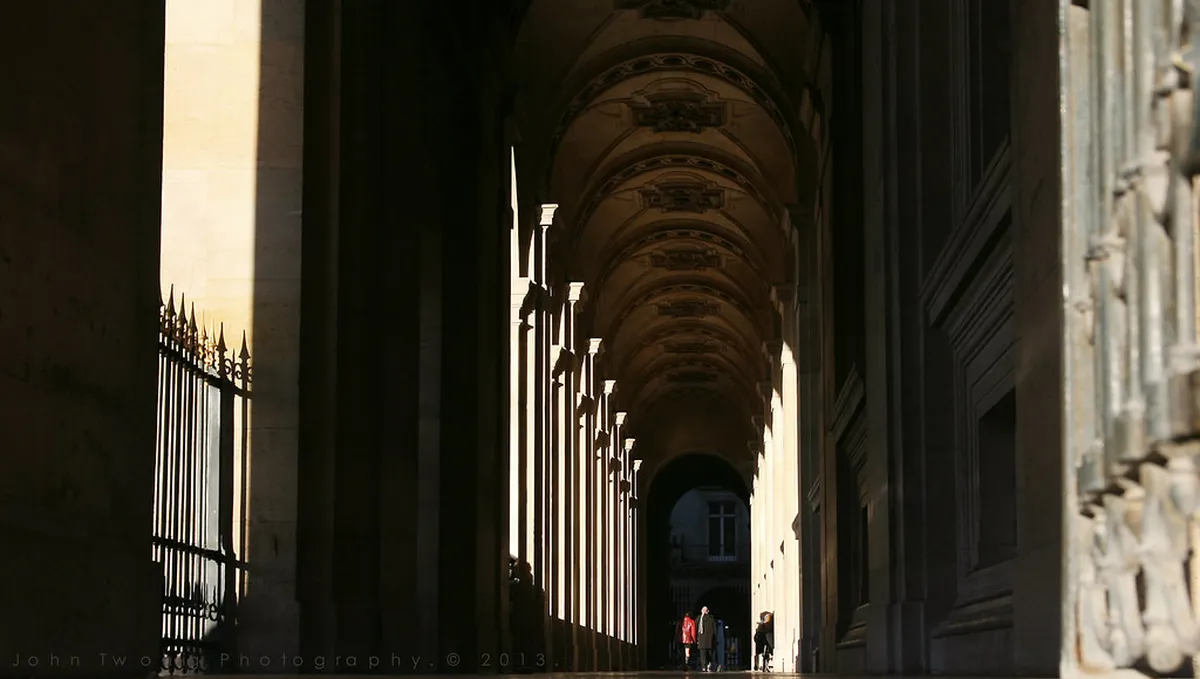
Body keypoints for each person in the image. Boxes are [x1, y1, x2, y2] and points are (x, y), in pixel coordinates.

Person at [696, 605, 717, 671]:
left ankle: (703, 667)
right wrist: (714, 639)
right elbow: (715, 630)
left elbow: (695, 628)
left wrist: (696, 638)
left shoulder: (699, 618)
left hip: (701, 640)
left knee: (702, 655)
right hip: (710, 641)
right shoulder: (712, 619)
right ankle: (709, 665)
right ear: (708, 611)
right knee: (710, 654)